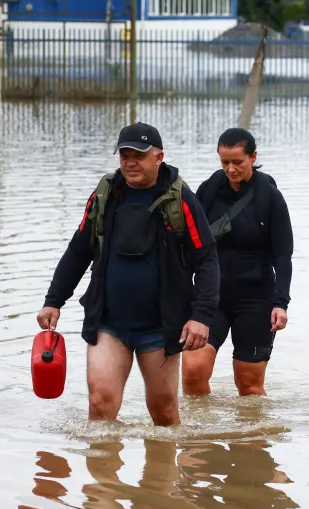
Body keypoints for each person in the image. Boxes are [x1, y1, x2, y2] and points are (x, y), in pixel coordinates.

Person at [36, 122, 219, 426]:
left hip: (160, 327)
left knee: (164, 414)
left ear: (159, 157)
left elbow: (207, 260)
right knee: (99, 404)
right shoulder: (105, 195)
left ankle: (161, 473)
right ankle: (103, 474)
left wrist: (201, 316)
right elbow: (78, 250)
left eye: (139, 154)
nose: (130, 162)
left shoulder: (181, 199)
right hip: (109, 323)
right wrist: (53, 300)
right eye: (124, 155)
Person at [181, 128, 293, 397]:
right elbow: (189, 245)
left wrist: (281, 303)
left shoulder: (270, 197)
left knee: (249, 386)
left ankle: (249, 437)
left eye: (237, 162)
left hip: (256, 300)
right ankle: (200, 437)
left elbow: (283, 256)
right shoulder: (208, 191)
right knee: (193, 372)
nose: (230, 169)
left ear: (253, 157)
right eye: (224, 162)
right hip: (211, 298)